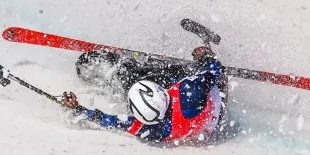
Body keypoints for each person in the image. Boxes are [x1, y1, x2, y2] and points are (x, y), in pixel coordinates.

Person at [60, 46, 228, 144]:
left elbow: (112, 121)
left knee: (134, 77)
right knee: (149, 75)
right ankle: (131, 71)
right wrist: (206, 57)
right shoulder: (189, 91)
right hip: (217, 104)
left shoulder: (152, 130)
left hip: (210, 121)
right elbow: (215, 69)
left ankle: (126, 70)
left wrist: (78, 109)